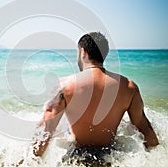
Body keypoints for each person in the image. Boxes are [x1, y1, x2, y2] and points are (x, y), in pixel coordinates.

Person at [32, 32, 159, 165]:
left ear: (83, 52)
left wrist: (29, 162)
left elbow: (46, 129)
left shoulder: (64, 86)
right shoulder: (129, 86)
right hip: (110, 156)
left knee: (64, 127)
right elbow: (143, 127)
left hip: (76, 157)